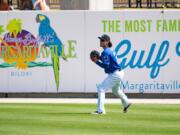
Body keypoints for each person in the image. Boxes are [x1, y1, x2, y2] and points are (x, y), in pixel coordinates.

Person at [90, 34, 131, 114]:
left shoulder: (105, 52)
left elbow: (106, 65)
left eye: (102, 40)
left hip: (115, 74)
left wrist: (96, 61)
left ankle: (101, 111)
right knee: (116, 91)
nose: (100, 41)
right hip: (119, 73)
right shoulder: (109, 50)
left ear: (107, 42)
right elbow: (108, 61)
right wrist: (99, 58)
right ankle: (126, 103)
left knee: (101, 89)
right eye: (100, 40)